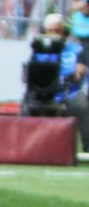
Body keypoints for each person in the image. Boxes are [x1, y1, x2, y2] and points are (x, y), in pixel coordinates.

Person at [23, 13, 89, 151]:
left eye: (57, 30)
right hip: (43, 93)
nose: (54, 34)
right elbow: (26, 74)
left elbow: (80, 69)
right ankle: (23, 148)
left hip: (69, 91)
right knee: (25, 107)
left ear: (65, 32)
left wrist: (75, 75)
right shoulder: (38, 51)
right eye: (50, 30)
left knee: (82, 107)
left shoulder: (77, 50)